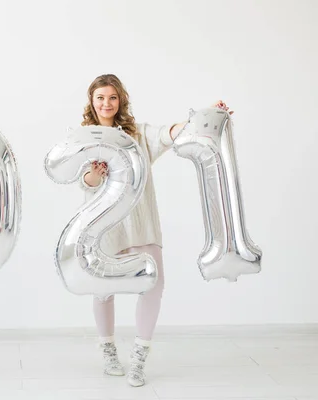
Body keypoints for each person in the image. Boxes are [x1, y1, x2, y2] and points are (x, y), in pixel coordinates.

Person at [79, 74, 232, 387]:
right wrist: (95, 174)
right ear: (91, 102)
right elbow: (85, 182)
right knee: (103, 289)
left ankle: (139, 358)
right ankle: (108, 351)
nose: (106, 103)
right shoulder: (84, 137)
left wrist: (207, 114)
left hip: (141, 223)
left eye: (112, 97)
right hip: (104, 227)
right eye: (100, 98)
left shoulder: (137, 133)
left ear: (120, 100)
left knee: (153, 286)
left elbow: (171, 133)